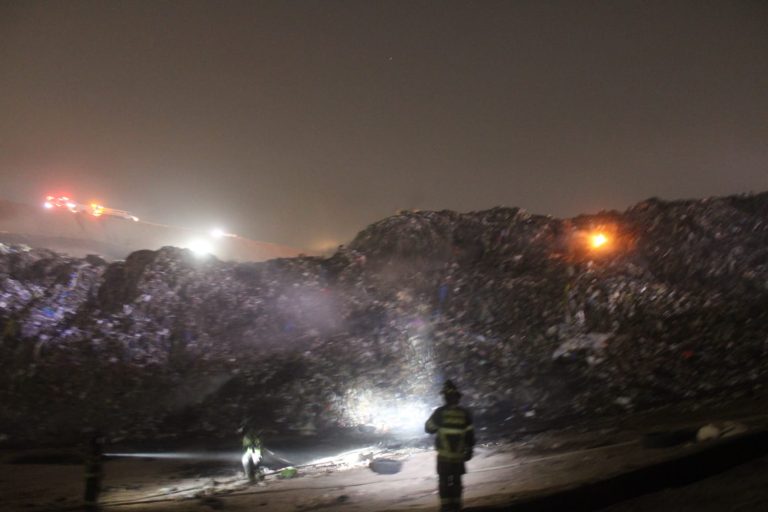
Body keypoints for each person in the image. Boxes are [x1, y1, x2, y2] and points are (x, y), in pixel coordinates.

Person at [425, 380, 475, 512]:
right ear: (457, 398)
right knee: (457, 482)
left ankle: (446, 507)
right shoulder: (465, 414)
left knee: (444, 482)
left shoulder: (440, 413)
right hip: (458, 457)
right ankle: (457, 506)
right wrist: (469, 450)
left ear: (445, 398)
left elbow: (428, 428)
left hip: (444, 457)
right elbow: (470, 435)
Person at [83, 430, 104, 511]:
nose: (103, 441)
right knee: (92, 489)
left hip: (93, 473)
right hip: (92, 473)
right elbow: (94, 461)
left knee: (93, 489)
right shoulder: (94, 449)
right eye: (101, 439)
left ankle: (90, 505)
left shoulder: (95, 448)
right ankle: (90, 506)